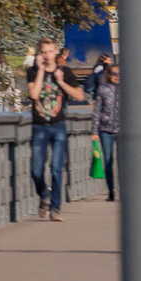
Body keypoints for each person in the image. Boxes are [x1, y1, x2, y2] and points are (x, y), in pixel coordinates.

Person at [25, 38, 84, 221]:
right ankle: (44, 194)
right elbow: (34, 95)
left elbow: (80, 95)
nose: (47, 55)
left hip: (58, 126)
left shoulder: (65, 72)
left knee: (56, 169)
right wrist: (42, 70)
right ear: (40, 53)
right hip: (39, 126)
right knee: (36, 170)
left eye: (50, 51)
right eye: (44, 52)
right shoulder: (33, 71)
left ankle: (55, 208)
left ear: (56, 52)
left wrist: (62, 82)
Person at [89, 59, 121, 202]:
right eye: (114, 73)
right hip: (105, 130)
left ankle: (123, 190)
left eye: (119, 74)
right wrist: (94, 132)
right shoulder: (103, 89)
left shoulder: (127, 89)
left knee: (123, 162)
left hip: (123, 131)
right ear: (109, 74)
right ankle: (111, 191)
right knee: (108, 161)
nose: (117, 76)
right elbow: (97, 112)